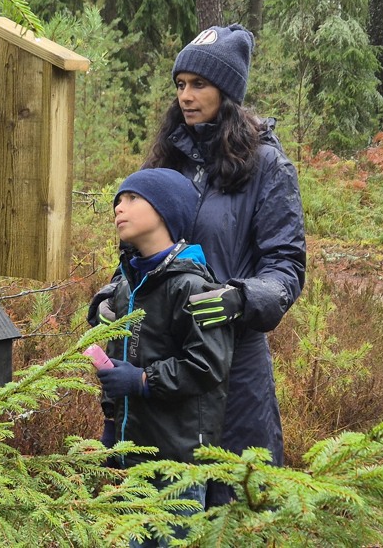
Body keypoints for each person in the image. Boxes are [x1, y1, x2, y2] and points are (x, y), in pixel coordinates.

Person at [134, 23, 306, 506]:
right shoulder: (169, 160)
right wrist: (112, 296)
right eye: (181, 84)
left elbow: (286, 267)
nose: (186, 96)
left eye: (199, 84)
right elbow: (139, 248)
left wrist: (240, 297)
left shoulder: (268, 166)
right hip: (169, 356)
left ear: (227, 91)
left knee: (237, 505)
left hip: (236, 361)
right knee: (165, 509)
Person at [88, 168, 236, 548]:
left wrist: (141, 381)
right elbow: (117, 363)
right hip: (133, 453)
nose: (119, 207)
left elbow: (207, 366)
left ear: (166, 211)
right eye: (117, 201)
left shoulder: (194, 285)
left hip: (178, 463)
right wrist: (111, 425)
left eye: (132, 198)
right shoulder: (125, 287)